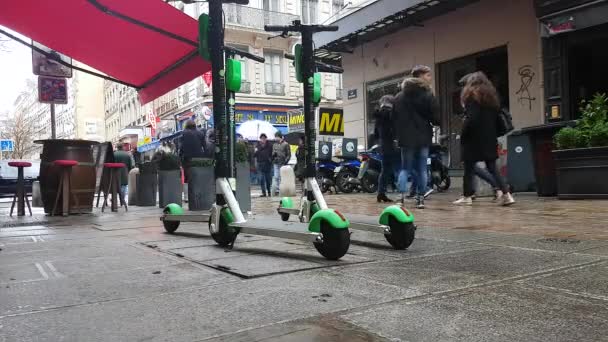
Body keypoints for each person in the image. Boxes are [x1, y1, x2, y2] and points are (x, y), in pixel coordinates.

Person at [453, 71, 515, 206]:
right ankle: (507, 195)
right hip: (489, 137)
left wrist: (464, 134)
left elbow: (471, 119)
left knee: (468, 168)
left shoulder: (471, 97)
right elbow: (497, 120)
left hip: (473, 138)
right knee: (492, 167)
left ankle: (467, 196)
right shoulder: (492, 98)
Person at [393, 65, 440, 209]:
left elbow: (394, 117)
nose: (430, 78)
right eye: (428, 75)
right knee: (421, 169)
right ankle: (420, 199)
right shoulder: (427, 94)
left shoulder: (399, 96)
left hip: (406, 138)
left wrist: (398, 133)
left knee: (405, 168)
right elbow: (435, 116)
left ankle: (400, 198)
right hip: (423, 137)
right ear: (419, 76)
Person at [373, 95, 398, 203]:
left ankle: (381, 193)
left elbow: (376, 134)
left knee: (385, 170)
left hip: (383, 145)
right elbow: (396, 129)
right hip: (393, 144)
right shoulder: (392, 114)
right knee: (404, 168)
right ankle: (404, 192)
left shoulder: (379, 115)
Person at [271, 131, 291, 196]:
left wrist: (286, 161)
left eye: (276, 137)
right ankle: (277, 190)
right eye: (275, 137)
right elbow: (272, 153)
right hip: (276, 162)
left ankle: (281, 189)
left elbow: (288, 154)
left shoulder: (286, 144)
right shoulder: (274, 145)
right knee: (276, 176)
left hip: (282, 163)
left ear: (279, 137)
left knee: (281, 177)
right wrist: (273, 155)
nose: (275, 138)